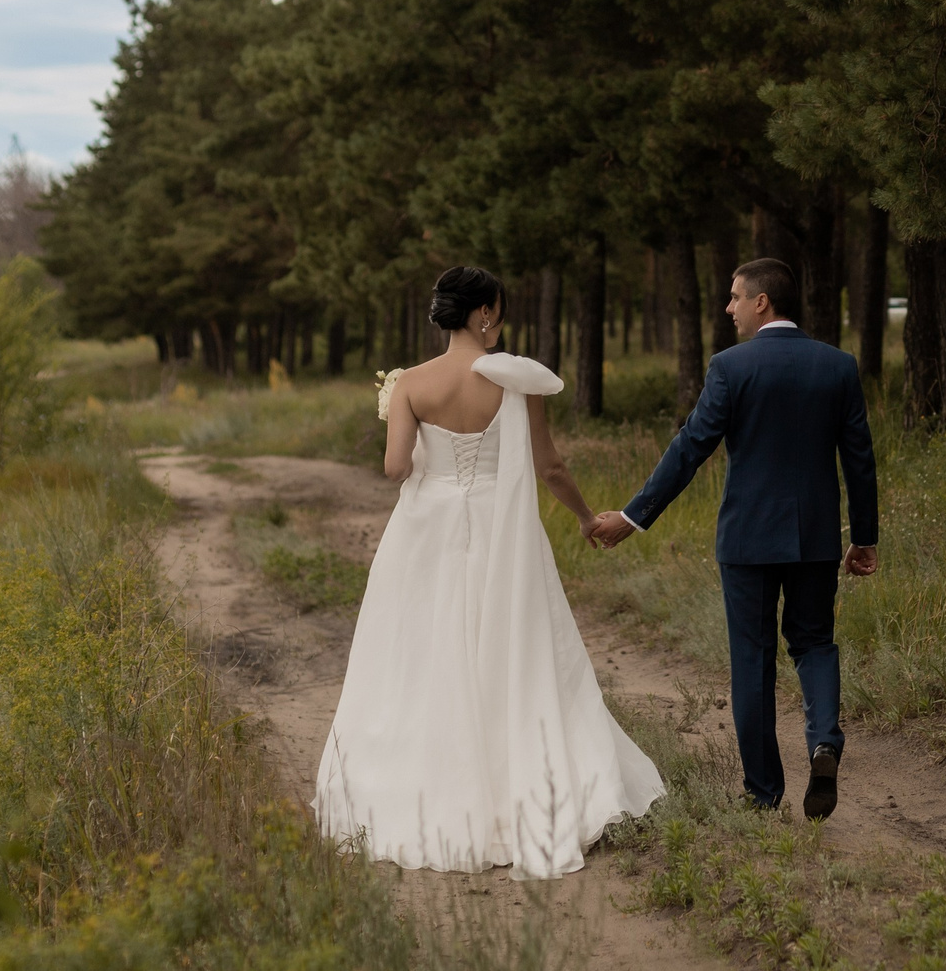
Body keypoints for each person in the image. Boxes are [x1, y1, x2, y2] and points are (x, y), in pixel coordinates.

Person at [313, 265, 663, 879]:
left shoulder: (411, 383)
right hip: (505, 533)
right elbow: (549, 467)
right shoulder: (515, 380)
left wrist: (410, 433)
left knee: (421, 653)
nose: (500, 320)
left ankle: (422, 794)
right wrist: (586, 518)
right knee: (513, 648)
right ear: (483, 313)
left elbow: (396, 469)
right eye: (497, 309)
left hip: (426, 531)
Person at [588, 257, 878, 819]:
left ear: (761, 301)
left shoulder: (731, 366)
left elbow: (690, 448)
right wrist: (863, 536)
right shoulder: (838, 365)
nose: (729, 308)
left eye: (735, 297)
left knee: (752, 659)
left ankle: (763, 794)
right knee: (815, 643)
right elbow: (859, 459)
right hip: (815, 538)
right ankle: (824, 742)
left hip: (748, 540)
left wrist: (633, 516)